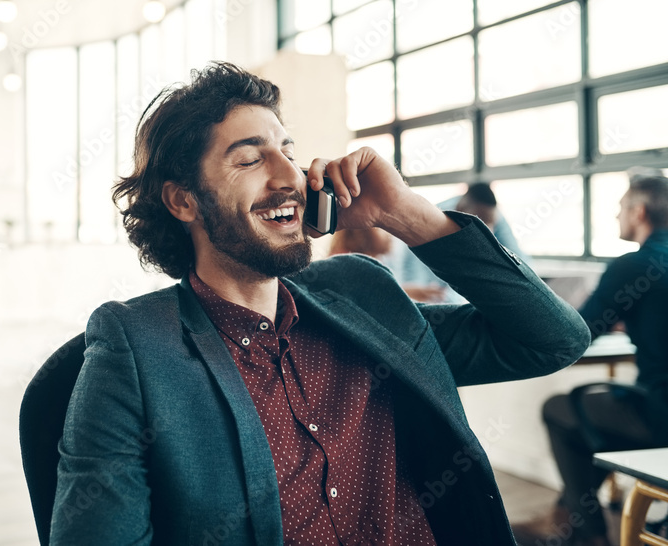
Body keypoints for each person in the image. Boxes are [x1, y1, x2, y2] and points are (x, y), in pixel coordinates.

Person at [49, 62, 590, 545]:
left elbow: (554, 340)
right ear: (183, 200)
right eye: (249, 160)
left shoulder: (362, 293)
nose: (290, 177)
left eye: (287, 150)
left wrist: (407, 216)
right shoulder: (135, 347)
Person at [512, 174, 668, 546]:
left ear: (640, 212)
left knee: (561, 410)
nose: (617, 217)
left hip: (660, 412)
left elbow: (576, 333)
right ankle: (566, 515)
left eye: (620, 209)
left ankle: (587, 533)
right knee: (596, 415)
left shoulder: (633, 266)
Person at [386, 182, 530, 303]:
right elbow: (416, 276)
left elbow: (521, 265)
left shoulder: (493, 215)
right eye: (483, 222)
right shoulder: (433, 221)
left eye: (492, 225)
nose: (488, 232)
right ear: (461, 209)